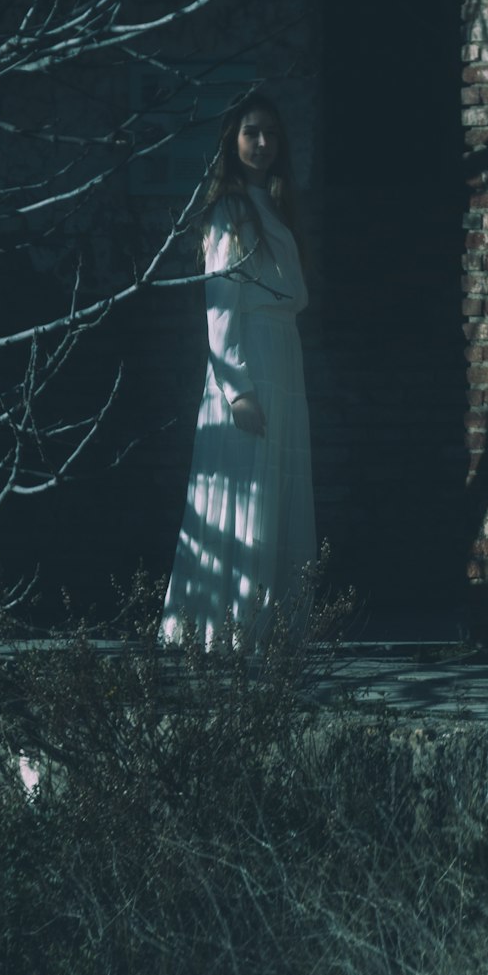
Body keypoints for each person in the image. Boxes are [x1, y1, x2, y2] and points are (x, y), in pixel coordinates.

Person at [161, 91, 316, 651]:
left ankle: (271, 626)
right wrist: (237, 388)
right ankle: (227, 626)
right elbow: (220, 303)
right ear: (232, 141)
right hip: (248, 361)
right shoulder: (227, 211)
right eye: (251, 133)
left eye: (271, 134)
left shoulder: (275, 206)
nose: (262, 144)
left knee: (277, 488)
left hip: (283, 354)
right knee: (246, 487)